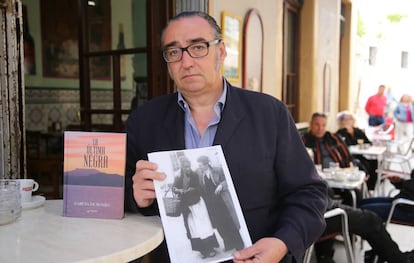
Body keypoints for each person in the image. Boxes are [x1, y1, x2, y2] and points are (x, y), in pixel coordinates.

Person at [124, 11, 328, 263]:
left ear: (220, 51)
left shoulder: (269, 114)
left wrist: (283, 241)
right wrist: (133, 196)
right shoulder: (144, 120)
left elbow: (309, 193)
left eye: (197, 47)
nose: (186, 62)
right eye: (174, 52)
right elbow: (117, 192)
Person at [316, 185, 414, 263]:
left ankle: (379, 255)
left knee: (367, 212)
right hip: (316, 213)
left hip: (315, 211)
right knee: (370, 217)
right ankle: (396, 259)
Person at [302, 112, 364, 206]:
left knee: (355, 194)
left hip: (338, 177)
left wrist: (352, 166)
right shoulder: (304, 141)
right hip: (317, 180)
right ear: (311, 124)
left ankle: (351, 218)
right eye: (317, 125)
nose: (320, 128)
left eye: (323, 125)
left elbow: (347, 156)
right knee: (328, 192)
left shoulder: (333, 138)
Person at [171, 155, 219, 259]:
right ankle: (203, 250)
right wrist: (178, 190)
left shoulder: (194, 175)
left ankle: (210, 248)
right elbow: (174, 188)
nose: (187, 169)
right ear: (182, 167)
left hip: (198, 203)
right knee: (194, 229)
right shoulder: (178, 176)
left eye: (188, 166)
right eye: (185, 167)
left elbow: (199, 188)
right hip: (187, 207)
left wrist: (192, 189)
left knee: (204, 226)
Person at [196, 155, 244, 252]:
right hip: (211, 204)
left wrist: (221, 185)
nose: (199, 167)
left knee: (229, 222)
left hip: (222, 202)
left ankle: (239, 244)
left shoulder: (218, 170)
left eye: (201, 165)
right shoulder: (200, 175)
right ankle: (228, 244)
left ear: (206, 164)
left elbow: (228, 180)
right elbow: (201, 189)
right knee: (219, 225)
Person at [336, 111, 378, 190]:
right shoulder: (340, 133)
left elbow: (368, 142)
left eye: (350, 119)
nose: (348, 121)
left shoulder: (358, 131)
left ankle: (370, 188)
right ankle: (361, 186)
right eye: (345, 119)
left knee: (375, 163)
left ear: (353, 121)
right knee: (361, 164)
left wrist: (364, 145)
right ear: (341, 122)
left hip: (360, 154)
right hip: (350, 157)